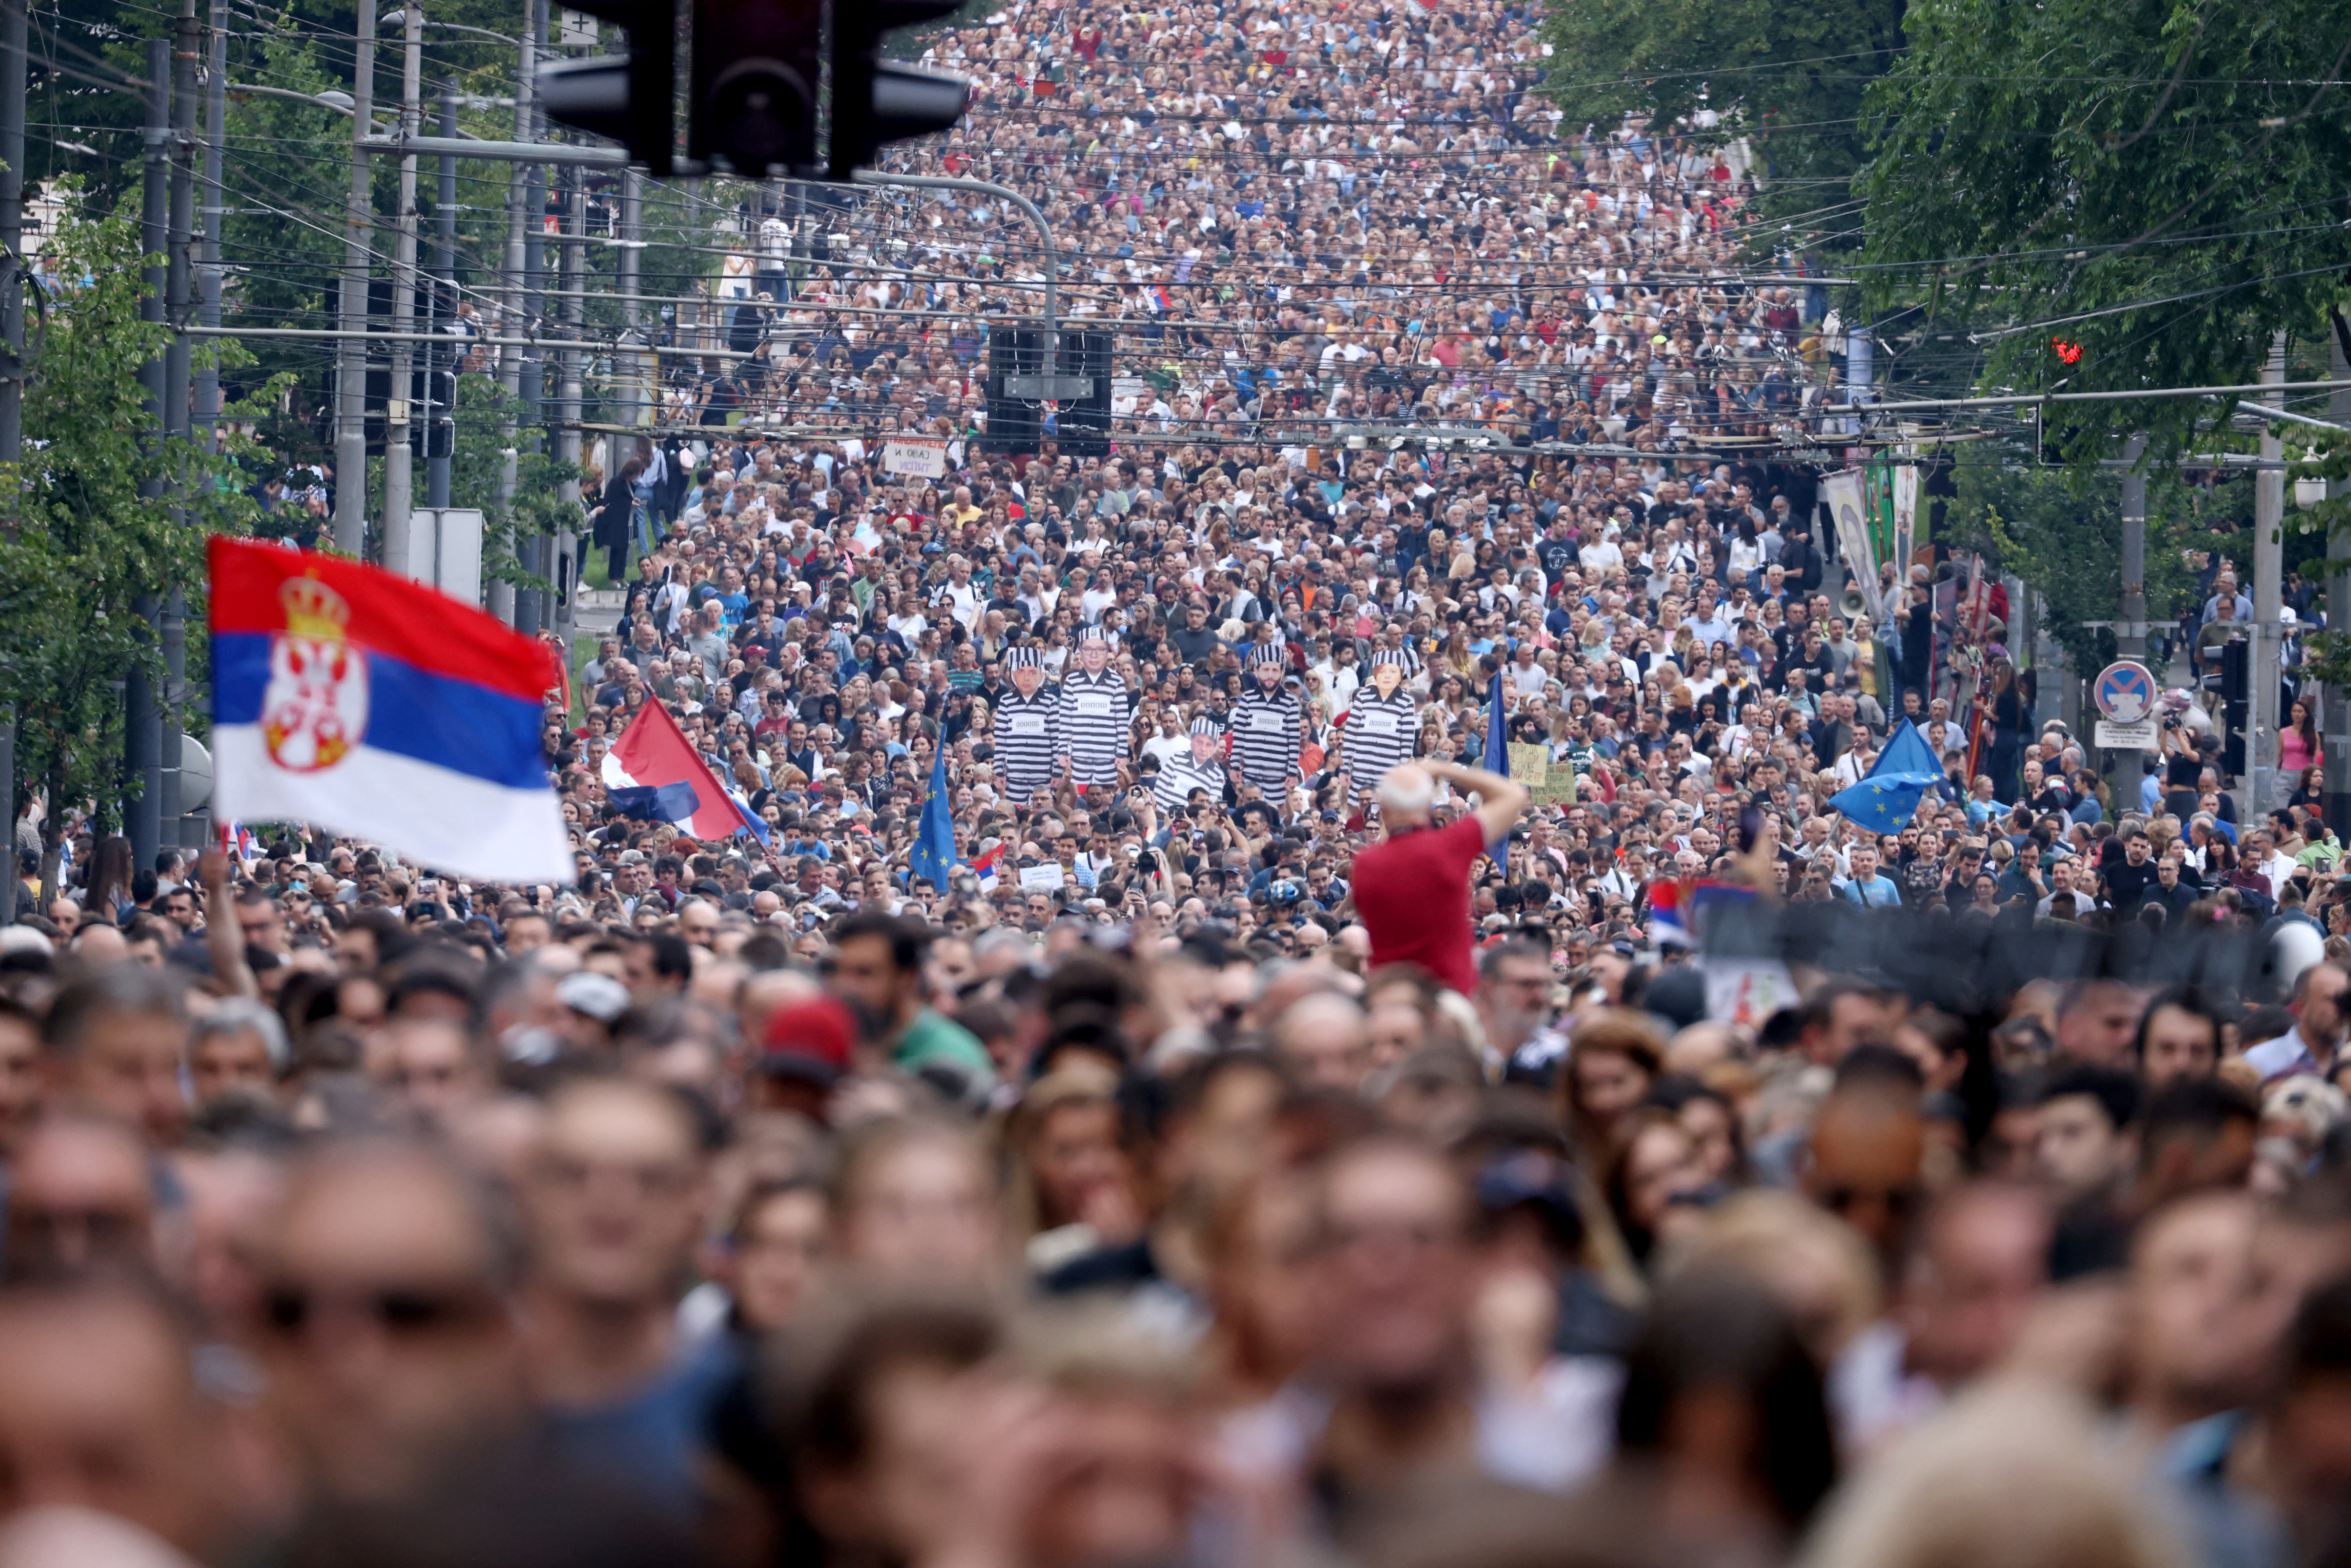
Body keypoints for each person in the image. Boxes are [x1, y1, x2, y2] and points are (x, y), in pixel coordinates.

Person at [1351, 758, 1530, 996]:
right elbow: (1514, 796)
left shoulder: (1365, 865)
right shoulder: (1449, 847)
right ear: (1429, 805)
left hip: (1389, 996)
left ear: (1383, 810)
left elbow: (1387, 844)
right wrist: (1444, 769)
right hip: (1449, 996)